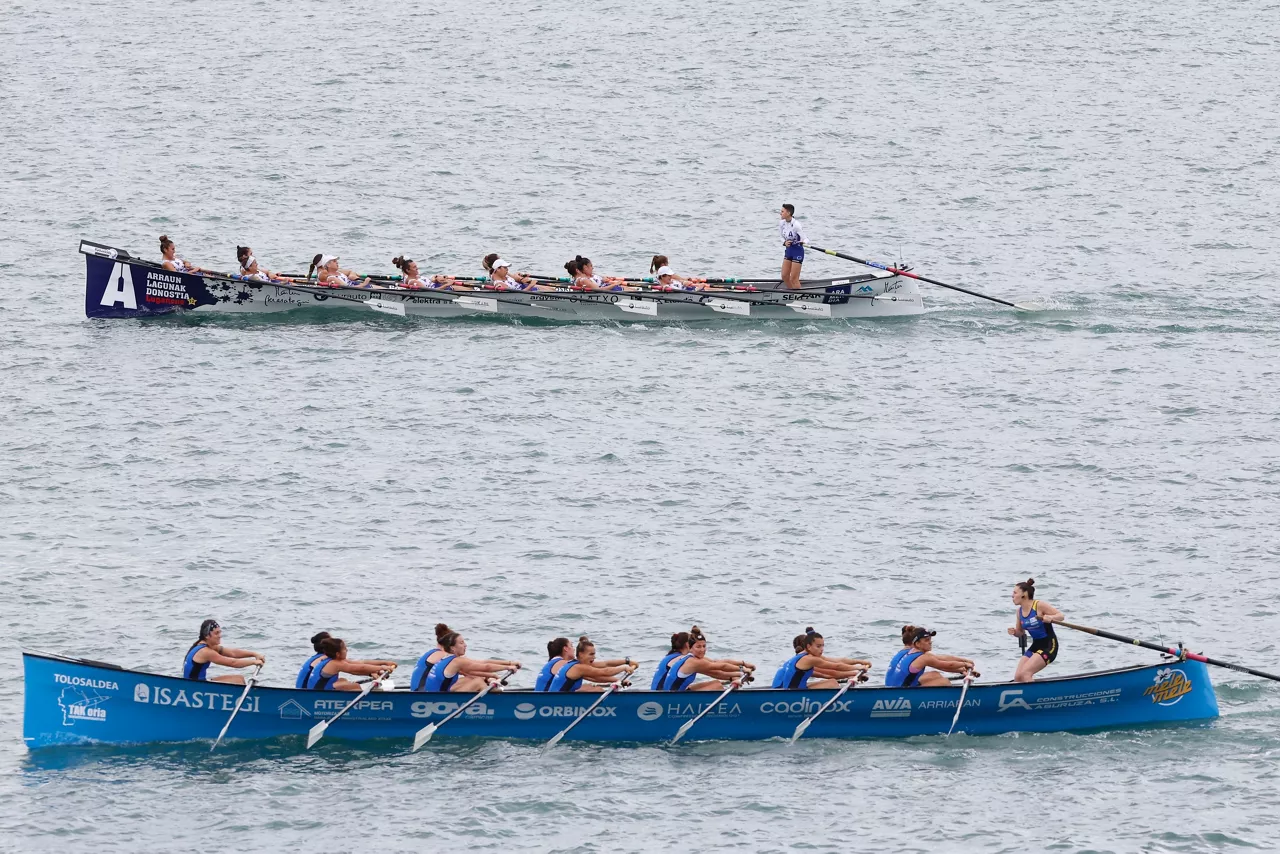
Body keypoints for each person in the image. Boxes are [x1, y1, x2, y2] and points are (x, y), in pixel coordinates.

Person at [422, 624, 522, 693]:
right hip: (438, 697)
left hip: (437, 691)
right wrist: (508, 668)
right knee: (478, 681)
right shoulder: (457, 661)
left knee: (470, 678)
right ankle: (497, 695)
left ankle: (492, 688)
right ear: (452, 648)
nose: (465, 645)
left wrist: (508, 664)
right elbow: (485, 667)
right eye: (461, 643)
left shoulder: (446, 657)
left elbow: (479, 667)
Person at [661, 626, 756, 692]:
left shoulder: (693, 658)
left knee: (716, 683)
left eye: (704, 646)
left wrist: (743, 664)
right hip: (673, 697)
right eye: (698, 647)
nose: (702, 650)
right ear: (690, 648)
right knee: (717, 686)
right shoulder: (693, 662)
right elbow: (721, 667)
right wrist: (742, 670)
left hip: (678, 691)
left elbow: (718, 662)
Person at [774, 628, 870, 690]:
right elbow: (836, 667)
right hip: (792, 694)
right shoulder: (808, 659)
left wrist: (858, 663)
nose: (822, 650)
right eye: (818, 646)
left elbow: (835, 663)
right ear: (809, 646)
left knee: (830, 681)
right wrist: (859, 668)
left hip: (794, 689)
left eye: (822, 646)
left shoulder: (804, 656)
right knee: (832, 683)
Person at [1008, 578, 1064, 682]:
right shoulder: (1019, 612)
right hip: (1036, 645)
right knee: (1018, 677)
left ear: (1024, 594)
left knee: (1026, 673)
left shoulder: (1038, 605)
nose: (1012, 595)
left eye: (1015, 592)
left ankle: (1033, 696)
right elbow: (1021, 633)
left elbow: (1061, 616)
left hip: (1049, 645)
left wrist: (1051, 618)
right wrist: (1015, 632)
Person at [884, 627, 977, 688]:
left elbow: (941, 658)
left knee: (935, 674)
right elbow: (947, 665)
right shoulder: (923, 658)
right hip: (901, 692)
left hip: (895, 685)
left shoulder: (909, 651)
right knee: (945, 682)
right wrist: (965, 665)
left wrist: (964, 665)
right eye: (926, 640)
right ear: (917, 643)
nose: (930, 642)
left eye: (930, 639)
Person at [182, 619, 264, 685]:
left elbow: (233, 653)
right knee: (238, 682)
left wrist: (254, 654)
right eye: (216, 633)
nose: (220, 635)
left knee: (240, 678)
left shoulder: (209, 646)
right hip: (194, 687)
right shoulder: (205, 652)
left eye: (220, 632)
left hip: (199, 683)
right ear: (207, 636)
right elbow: (233, 663)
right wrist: (254, 662)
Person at [548, 636, 638, 693]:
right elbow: (604, 672)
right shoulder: (578, 667)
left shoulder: (577, 664)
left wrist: (627, 661)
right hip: (556, 701)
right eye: (591, 654)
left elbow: (605, 665)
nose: (594, 657)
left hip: (561, 697)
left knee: (592, 687)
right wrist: (624, 667)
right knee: (597, 690)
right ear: (581, 654)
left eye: (594, 654)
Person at [305, 637, 397, 691]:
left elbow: (361, 663)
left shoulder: (332, 660)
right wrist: (381, 668)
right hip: (319, 693)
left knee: (343, 680)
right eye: (345, 649)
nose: (347, 650)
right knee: (356, 687)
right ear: (338, 653)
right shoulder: (335, 664)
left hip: (319, 689)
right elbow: (358, 669)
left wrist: (384, 663)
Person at [392, 255, 467, 291]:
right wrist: (447, 284)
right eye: (414, 267)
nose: (417, 268)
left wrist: (434, 278)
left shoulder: (410, 276)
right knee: (468, 289)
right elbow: (430, 291)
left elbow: (403, 267)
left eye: (416, 266)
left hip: (438, 285)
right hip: (441, 291)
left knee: (467, 286)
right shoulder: (413, 282)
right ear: (408, 270)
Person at [565, 256, 631, 292]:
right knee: (632, 291)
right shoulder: (583, 280)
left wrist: (603, 280)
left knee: (630, 289)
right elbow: (599, 290)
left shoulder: (585, 278)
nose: (592, 268)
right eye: (591, 266)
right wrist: (615, 284)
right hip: (607, 291)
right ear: (584, 268)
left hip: (608, 288)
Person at [485, 256, 552, 291]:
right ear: (498, 269)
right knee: (550, 289)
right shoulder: (500, 283)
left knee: (551, 288)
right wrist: (531, 285)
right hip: (526, 292)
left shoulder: (506, 276)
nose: (507, 269)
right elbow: (515, 296)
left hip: (525, 288)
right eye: (505, 268)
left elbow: (517, 279)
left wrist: (524, 277)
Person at [778, 204, 804, 290]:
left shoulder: (796, 225)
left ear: (788, 213)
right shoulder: (782, 223)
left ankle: (800, 297)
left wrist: (803, 242)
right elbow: (781, 237)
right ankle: (792, 293)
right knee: (784, 276)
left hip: (797, 251)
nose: (780, 213)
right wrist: (784, 242)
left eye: (782, 211)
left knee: (794, 278)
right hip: (789, 251)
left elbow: (805, 238)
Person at [307, 254, 372, 288]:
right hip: (355, 288)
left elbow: (349, 271)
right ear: (327, 264)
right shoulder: (323, 274)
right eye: (334, 261)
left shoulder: (335, 272)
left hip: (355, 284)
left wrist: (352, 275)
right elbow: (348, 288)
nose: (337, 262)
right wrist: (364, 284)